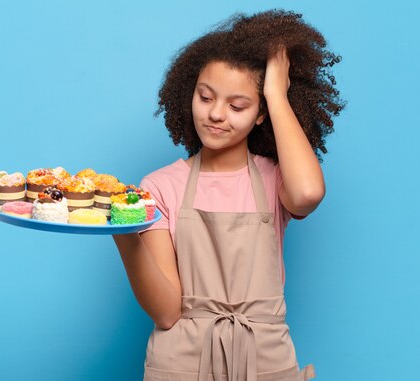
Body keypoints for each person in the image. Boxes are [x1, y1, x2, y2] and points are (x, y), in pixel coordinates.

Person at [112, 9, 345, 381]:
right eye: (205, 98)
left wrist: (275, 93)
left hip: (264, 359)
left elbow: (308, 193)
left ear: (260, 115)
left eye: (237, 106)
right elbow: (167, 311)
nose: (217, 114)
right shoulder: (159, 187)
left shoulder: (275, 178)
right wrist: (123, 232)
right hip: (181, 362)